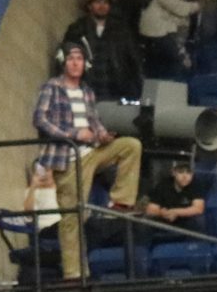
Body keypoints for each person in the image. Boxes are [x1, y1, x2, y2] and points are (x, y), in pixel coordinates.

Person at [32, 42, 142, 279]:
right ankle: (74, 274)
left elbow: (94, 122)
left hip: (91, 152)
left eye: (79, 59)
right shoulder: (52, 87)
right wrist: (73, 134)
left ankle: (121, 201)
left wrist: (102, 135)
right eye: (71, 59)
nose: (75, 63)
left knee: (131, 145)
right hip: (67, 158)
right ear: (63, 61)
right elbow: (40, 119)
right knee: (72, 218)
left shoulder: (87, 92)